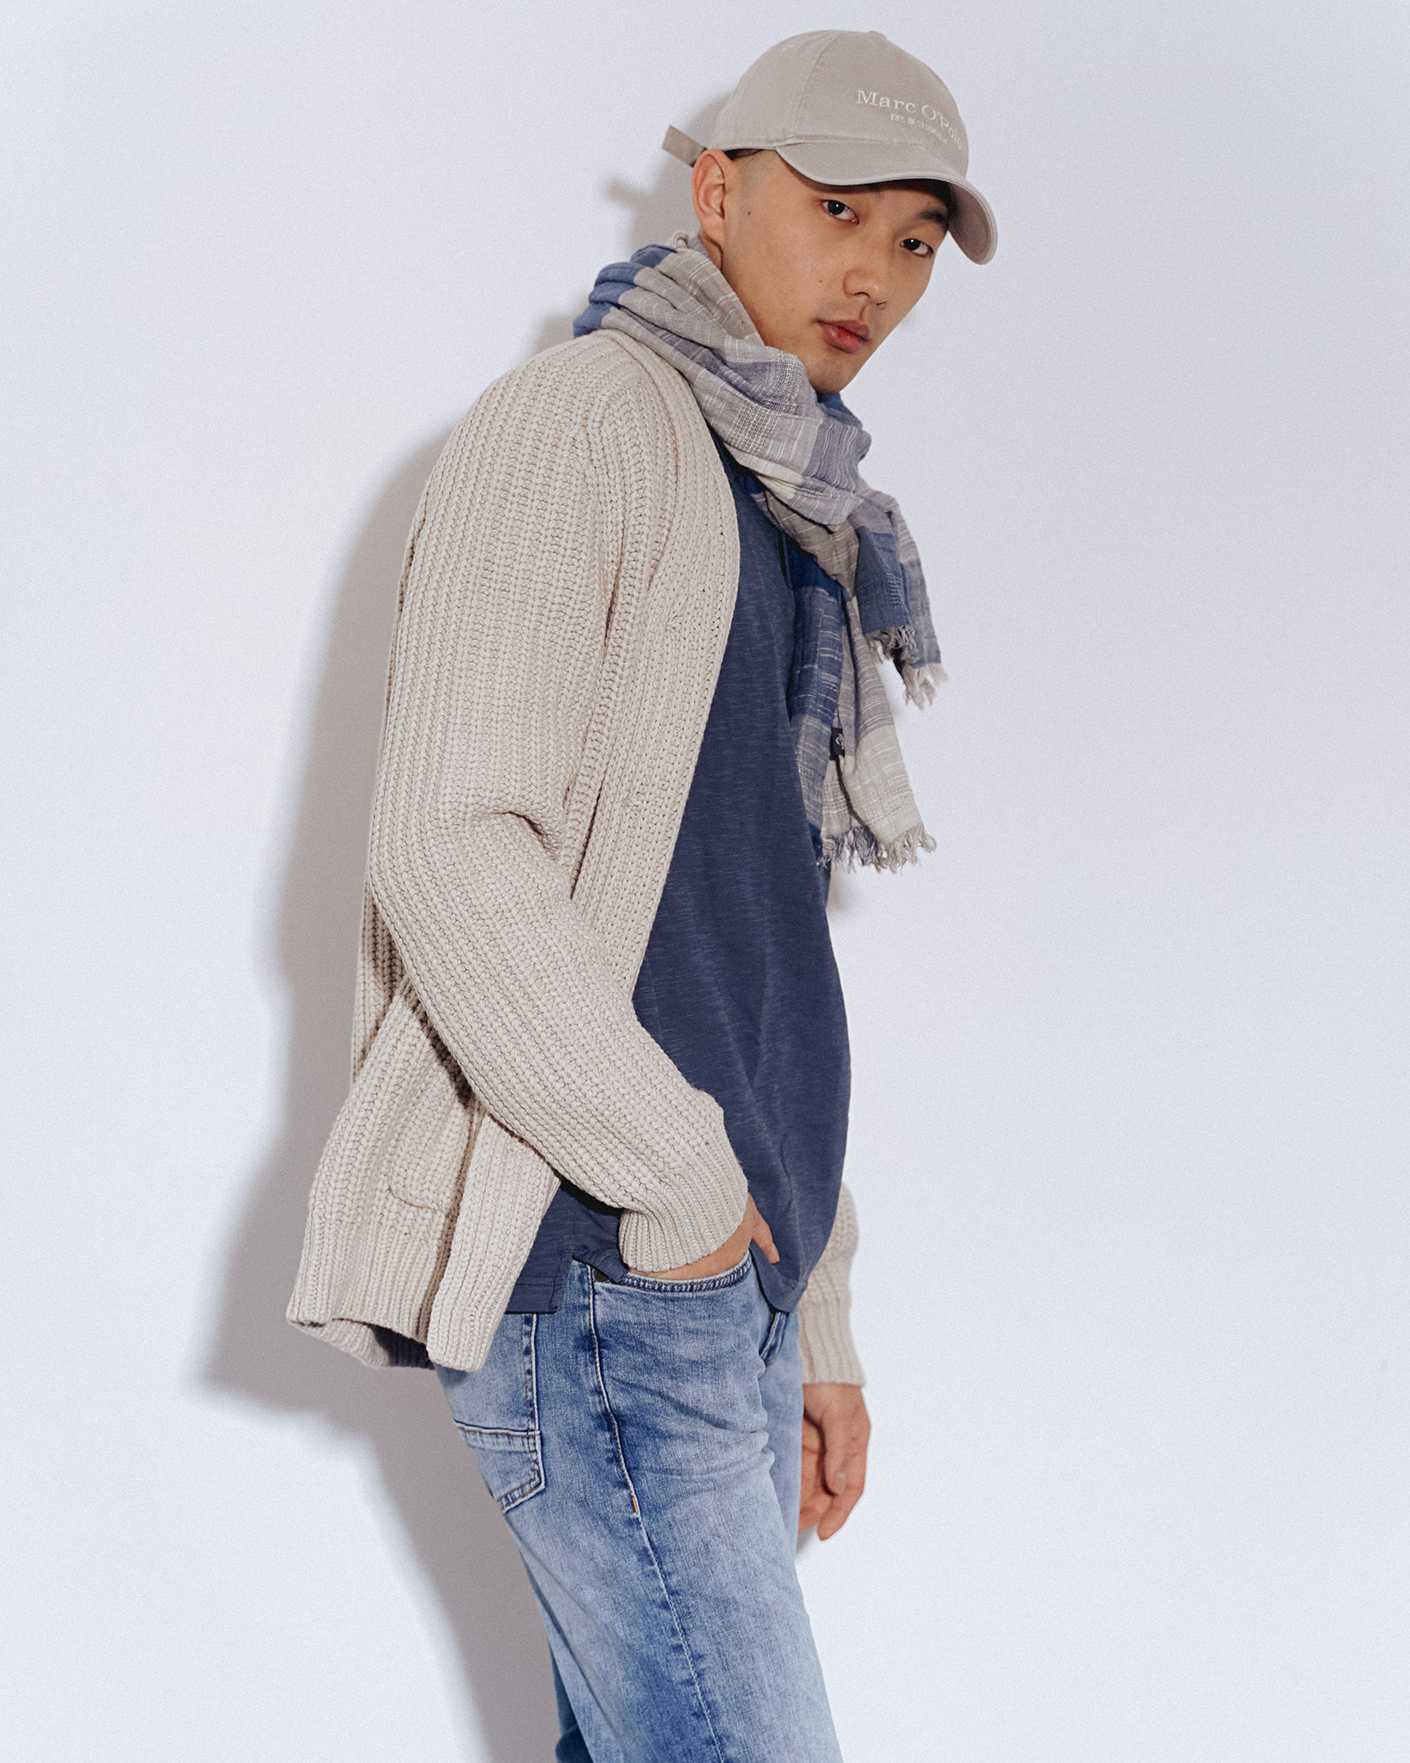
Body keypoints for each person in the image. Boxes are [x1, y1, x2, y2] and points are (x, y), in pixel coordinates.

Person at [288, 28, 995, 1761]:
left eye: (914, 237)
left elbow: (754, 957)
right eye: (837, 212)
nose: (874, 274)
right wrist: (675, 1186)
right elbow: (452, 842)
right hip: (606, 1262)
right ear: (717, 194)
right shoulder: (579, 425)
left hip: (716, 1274)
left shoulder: (789, 507)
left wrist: (813, 1315)